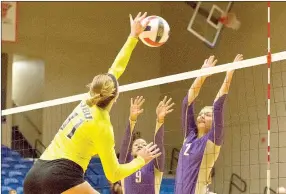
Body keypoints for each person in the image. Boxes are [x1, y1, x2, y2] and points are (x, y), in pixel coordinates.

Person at [23, 12, 162, 194]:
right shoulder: (103, 126)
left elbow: (116, 68)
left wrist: (133, 36)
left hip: (34, 175)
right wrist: (141, 160)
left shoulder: (88, 99)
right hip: (61, 176)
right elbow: (113, 174)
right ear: (116, 97)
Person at [175, 54, 243, 194]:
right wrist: (202, 75)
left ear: (214, 122)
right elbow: (186, 103)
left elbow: (217, 105)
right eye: (201, 113)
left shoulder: (213, 139)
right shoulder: (190, 135)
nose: (201, 116)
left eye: (207, 114)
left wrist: (229, 75)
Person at [119, 96, 174, 194]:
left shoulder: (154, 165)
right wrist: (132, 119)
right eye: (136, 145)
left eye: (144, 144)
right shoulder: (125, 163)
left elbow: (159, 144)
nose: (140, 145)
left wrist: (160, 120)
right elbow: (125, 143)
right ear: (131, 151)